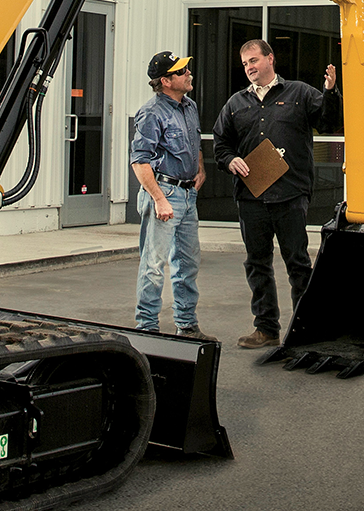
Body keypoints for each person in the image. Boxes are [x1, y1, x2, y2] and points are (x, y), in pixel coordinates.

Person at [211, 38, 339, 349]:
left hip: (290, 195)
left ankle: (306, 328)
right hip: (251, 198)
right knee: (257, 263)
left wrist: (331, 92)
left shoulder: (299, 93)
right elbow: (221, 146)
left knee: (297, 263)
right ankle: (266, 329)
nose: (249, 68)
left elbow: (329, 123)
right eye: (244, 64)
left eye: (253, 60)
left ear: (271, 59)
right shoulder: (236, 103)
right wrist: (230, 160)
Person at [129, 51, 205, 338]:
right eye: (182, 71)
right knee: (154, 265)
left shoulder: (190, 107)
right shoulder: (151, 113)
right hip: (164, 193)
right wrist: (159, 198)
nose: (188, 74)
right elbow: (140, 161)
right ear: (166, 81)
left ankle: (187, 326)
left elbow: (194, 140)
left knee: (187, 264)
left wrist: (200, 169)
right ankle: (147, 328)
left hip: (187, 194)